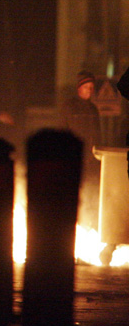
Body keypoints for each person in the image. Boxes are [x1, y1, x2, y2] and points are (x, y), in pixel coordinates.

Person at [61, 70, 101, 230]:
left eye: (92, 87)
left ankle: (88, 223)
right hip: (74, 157)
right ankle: (72, 223)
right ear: (79, 88)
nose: (90, 90)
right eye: (87, 87)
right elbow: (63, 131)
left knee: (91, 191)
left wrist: (96, 153)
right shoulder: (69, 107)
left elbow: (98, 134)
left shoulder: (93, 109)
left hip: (91, 160)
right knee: (74, 192)